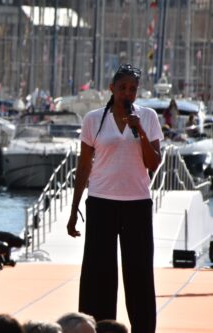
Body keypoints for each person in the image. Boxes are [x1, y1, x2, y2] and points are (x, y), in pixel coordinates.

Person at [66, 64, 163, 333]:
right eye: (122, 88)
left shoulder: (148, 117)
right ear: (112, 88)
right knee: (99, 273)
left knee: (139, 273)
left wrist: (140, 130)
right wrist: (74, 210)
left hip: (137, 203)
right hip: (101, 202)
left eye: (132, 89)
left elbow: (153, 162)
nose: (127, 93)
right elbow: (84, 166)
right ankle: (96, 328)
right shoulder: (94, 119)